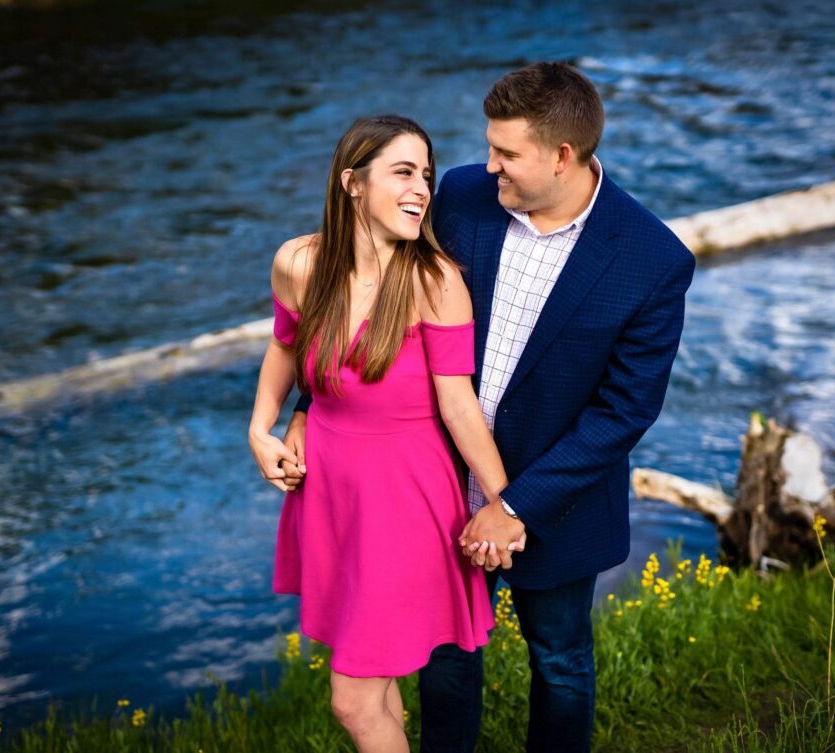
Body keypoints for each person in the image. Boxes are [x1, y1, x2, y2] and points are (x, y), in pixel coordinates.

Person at [282, 63, 695, 753]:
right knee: (446, 655)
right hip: (433, 480)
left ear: (562, 157)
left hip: (553, 499)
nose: (487, 164)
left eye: (506, 154)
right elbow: (371, 300)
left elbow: (622, 413)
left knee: (559, 661)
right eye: (489, 146)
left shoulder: (651, 260)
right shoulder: (468, 196)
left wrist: (514, 505)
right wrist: (305, 405)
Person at [247, 115, 521, 753]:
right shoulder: (298, 262)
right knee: (379, 682)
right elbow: (284, 349)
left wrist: (505, 503)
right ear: (351, 183)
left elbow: (459, 406)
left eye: (426, 175)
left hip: (405, 498)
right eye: (404, 172)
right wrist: (261, 429)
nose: (422, 187)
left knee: (353, 700)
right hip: (330, 493)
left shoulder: (434, 281)